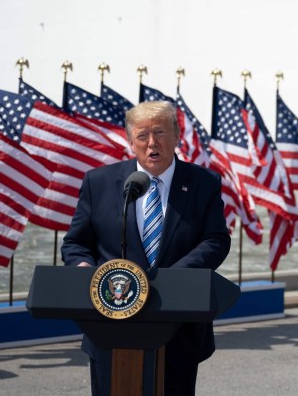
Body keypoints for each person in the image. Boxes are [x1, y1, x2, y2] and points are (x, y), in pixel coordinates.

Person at [62, 101, 231, 396]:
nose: (152, 143)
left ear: (177, 136)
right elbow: (76, 243)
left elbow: (216, 240)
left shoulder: (204, 183)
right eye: (142, 136)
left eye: (160, 133)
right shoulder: (99, 182)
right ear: (131, 142)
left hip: (178, 325)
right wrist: (82, 270)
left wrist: (173, 278)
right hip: (110, 324)